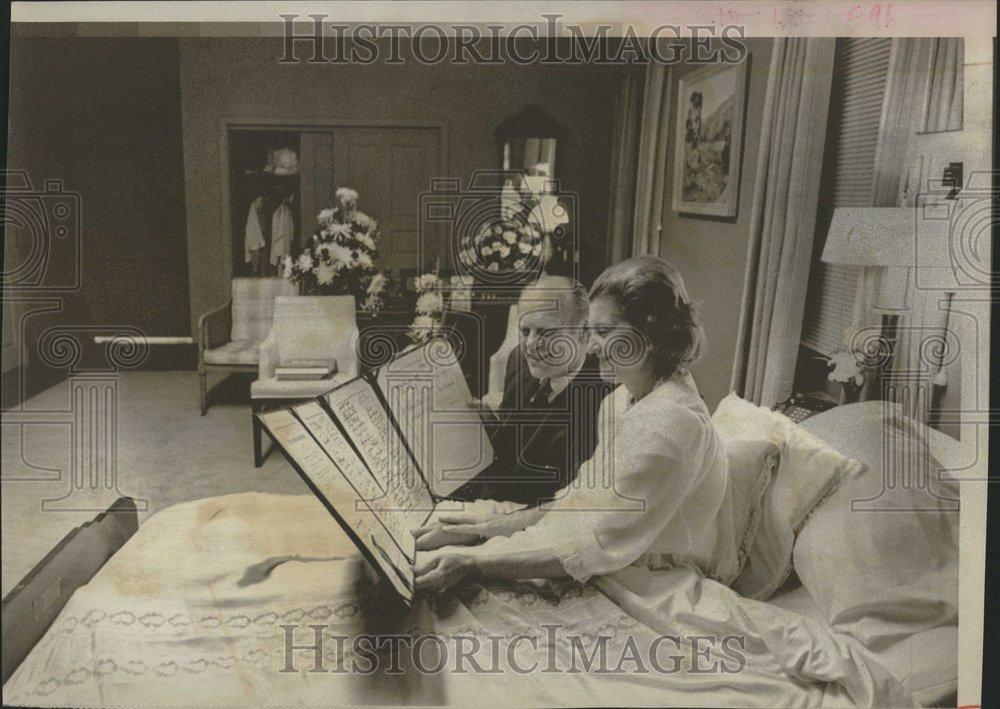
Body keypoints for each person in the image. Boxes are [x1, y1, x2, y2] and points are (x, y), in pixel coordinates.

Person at [413, 256, 739, 593]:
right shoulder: (623, 398)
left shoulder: (670, 426)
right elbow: (576, 504)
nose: (592, 346)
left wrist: (472, 563)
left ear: (649, 336)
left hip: (648, 577)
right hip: (602, 551)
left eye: (603, 332)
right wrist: (481, 531)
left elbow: (593, 545)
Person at [451, 275, 612, 505]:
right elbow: (510, 454)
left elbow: (566, 505)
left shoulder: (603, 396)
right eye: (525, 331)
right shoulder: (519, 362)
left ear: (584, 333)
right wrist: (491, 427)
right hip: (493, 501)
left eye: (546, 332)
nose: (530, 344)